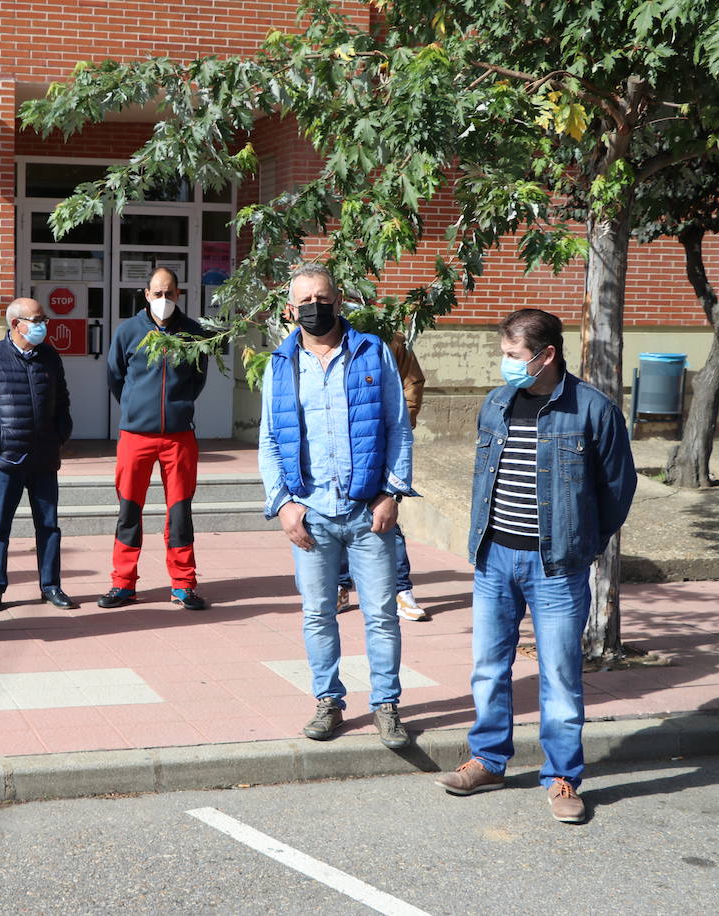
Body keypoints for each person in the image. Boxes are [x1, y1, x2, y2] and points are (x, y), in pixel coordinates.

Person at [434, 308, 636, 825]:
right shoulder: (497, 402)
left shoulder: (592, 409)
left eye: (512, 356)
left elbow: (618, 490)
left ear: (546, 355)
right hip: (494, 557)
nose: (504, 365)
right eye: (503, 353)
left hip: (557, 567)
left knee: (561, 677)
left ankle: (562, 775)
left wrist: (582, 545)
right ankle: (488, 760)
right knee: (488, 668)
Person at [257, 263, 416, 748]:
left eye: (323, 298)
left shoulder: (371, 352)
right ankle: (328, 701)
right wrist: (282, 504)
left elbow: (398, 427)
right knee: (317, 613)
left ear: (340, 300)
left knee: (382, 614)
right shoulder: (280, 363)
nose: (314, 308)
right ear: (289, 309)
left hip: (368, 511)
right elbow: (268, 438)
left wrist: (392, 493)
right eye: (304, 301)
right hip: (311, 514)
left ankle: (386, 705)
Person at [99, 267, 209, 611]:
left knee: (180, 513)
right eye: (157, 293)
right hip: (135, 436)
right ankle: (122, 583)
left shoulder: (193, 333)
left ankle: (183, 584)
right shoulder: (128, 331)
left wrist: (178, 408)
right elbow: (116, 378)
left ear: (179, 294)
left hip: (178, 437)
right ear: (146, 294)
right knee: (129, 510)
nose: (164, 299)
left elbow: (198, 379)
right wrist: (136, 409)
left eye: (170, 293)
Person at [0, 297, 76, 612]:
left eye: (43, 318)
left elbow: (62, 401)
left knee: (48, 526)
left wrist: (59, 436)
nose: (43, 325)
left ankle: (51, 586)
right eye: (37, 319)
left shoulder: (49, 356)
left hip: (44, 459)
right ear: (16, 323)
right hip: (6, 462)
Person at [337, 333, 428, 621]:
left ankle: (401, 589)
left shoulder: (388, 340)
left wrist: (403, 420)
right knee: (334, 517)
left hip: (377, 447)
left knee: (386, 518)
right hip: (337, 453)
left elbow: (412, 382)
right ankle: (340, 585)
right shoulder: (321, 341)